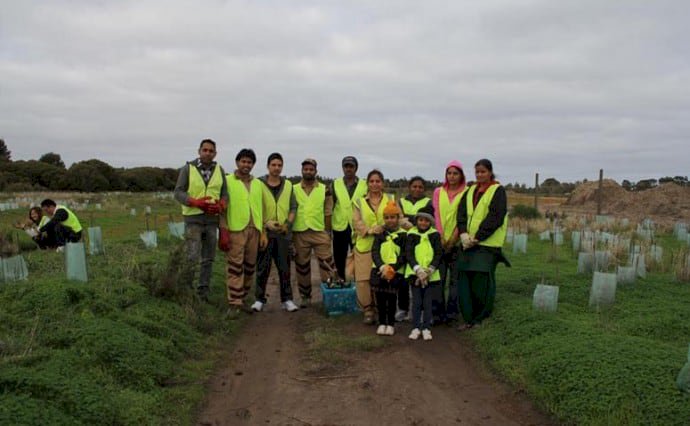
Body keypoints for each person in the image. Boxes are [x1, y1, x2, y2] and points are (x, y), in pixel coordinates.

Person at [456, 159, 510, 330]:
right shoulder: (470, 190)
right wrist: (464, 233)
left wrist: (477, 237)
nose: (480, 175)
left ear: (490, 172)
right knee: (464, 280)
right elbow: (462, 213)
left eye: (483, 172)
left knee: (482, 282)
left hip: (487, 245)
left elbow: (496, 216)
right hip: (467, 243)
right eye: (477, 172)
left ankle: (480, 317)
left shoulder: (497, 191)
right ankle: (468, 317)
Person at [174, 138, 229, 301]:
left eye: (211, 151)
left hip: (212, 220)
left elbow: (225, 194)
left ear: (215, 153)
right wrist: (195, 202)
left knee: (208, 258)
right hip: (193, 219)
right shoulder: (188, 169)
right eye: (205, 150)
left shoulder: (220, 170)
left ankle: (203, 292)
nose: (208, 153)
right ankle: (187, 291)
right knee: (192, 255)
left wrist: (221, 205)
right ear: (199, 151)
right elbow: (178, 192)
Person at [220, 148, 268, 316]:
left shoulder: (258, 184)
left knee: (249, 268)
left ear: (253, 164)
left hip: (254, 231)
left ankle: (243, 298)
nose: (246, 165)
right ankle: (234, 303)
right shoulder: (227, 181)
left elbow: (262, 209)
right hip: (235, 230)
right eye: (243, 161)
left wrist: (263, 233)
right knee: (235, 268)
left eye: (249, 162)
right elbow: (222, 209)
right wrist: (224, 230)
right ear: (237, 162)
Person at [252, 153, 299, 313]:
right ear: (268, 166)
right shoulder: (258, 184)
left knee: (284, 268)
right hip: (265, 233)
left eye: (279, 165)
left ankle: (287, 300)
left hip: (283, 234)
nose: (276, 168)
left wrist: (288, 224)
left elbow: (293, 207)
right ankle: (259, 299)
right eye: (273, 165)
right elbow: (255, 207)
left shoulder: (288, 185)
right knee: (263, 267)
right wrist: (265, 224)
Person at [288, 158, 336, 307]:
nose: (308, 171)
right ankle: (305, 296)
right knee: (302, 266)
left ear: (316, 171)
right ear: (302, 171)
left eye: (311, 169)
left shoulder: (324, 189)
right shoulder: (293, 188)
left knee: (327, 265)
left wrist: (328, 232)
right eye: (306, 169)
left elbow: (328, 212)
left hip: (319, 231)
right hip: (300, 231)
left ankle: (329, 294)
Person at [352, 169, 394, 325]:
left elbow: (398, 217)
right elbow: (356, 222)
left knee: (382, 277)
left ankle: (381, 308)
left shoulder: (390, 198)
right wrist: (370, 230)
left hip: (385, 246)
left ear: (382, 183)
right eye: (372, 181)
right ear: (367, 183)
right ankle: (367, 310)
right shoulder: (359, 201)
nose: (375, 184)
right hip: (365, 245)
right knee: (363, 280)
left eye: (378, 181)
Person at [431, 160, 467, 324]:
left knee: (455, 280)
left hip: (457, 242)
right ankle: (437, 314)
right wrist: (440, 236)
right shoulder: (439, 191)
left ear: (461, 175)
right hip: (440, 241)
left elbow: (463, 216)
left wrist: (453, 238)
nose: (452, 176)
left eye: (455, 173)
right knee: (439, 278)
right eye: (449, 173)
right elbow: (436, 213)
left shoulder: (466, 192)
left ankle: (452, 314)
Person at [395, 176, 433, 322]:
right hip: (403, 242)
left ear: (424, 189)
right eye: (414, 186)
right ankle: (403, 308)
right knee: (403, 278)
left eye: (420, 187)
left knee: (420, 277)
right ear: (409, 187)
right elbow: (399, 219)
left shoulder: (428, 202)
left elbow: (425, 221)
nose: (417, 189)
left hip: (420, 244)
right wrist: (408, 221)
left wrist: (410, 222)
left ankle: (421, 310)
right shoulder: (402, 201)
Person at [405, 205, 442, 341]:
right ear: (417, 220)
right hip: (415, 274)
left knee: (427, 302)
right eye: (420, 220)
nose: (423, 223)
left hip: (430, 275)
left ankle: (426, 327)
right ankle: (415, 327)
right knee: (416, 301)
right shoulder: (411, 234)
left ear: (430, 222)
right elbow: (408, 253)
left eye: (426, 220)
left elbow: (438, 253)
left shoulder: (435, 235)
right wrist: (418, 270)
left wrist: (429, 270)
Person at [371, 201, 406, 336]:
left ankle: (391, 323)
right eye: (386, 217)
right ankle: (382, 322)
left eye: (392, 217)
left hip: (395, 272)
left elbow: (404, 254)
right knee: (380, 298)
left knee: (392, 298)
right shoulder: (380, 234)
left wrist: (393, 268)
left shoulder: (403, 235)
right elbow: (375, 251)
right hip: (379, 270)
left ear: (398, 218)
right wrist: (382, 266)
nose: (389, 220)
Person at [331, 156, 367, 281]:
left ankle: (358, 282)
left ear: (356, 168)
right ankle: (341, 281)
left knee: (358, 256)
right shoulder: (335, 184)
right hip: (340, 226)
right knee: (339, 257)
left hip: (357, 227)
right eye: (346, 166)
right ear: (342, 168)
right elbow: (331, 205)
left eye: (351, 166)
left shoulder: (364, 185)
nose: (348, 169)